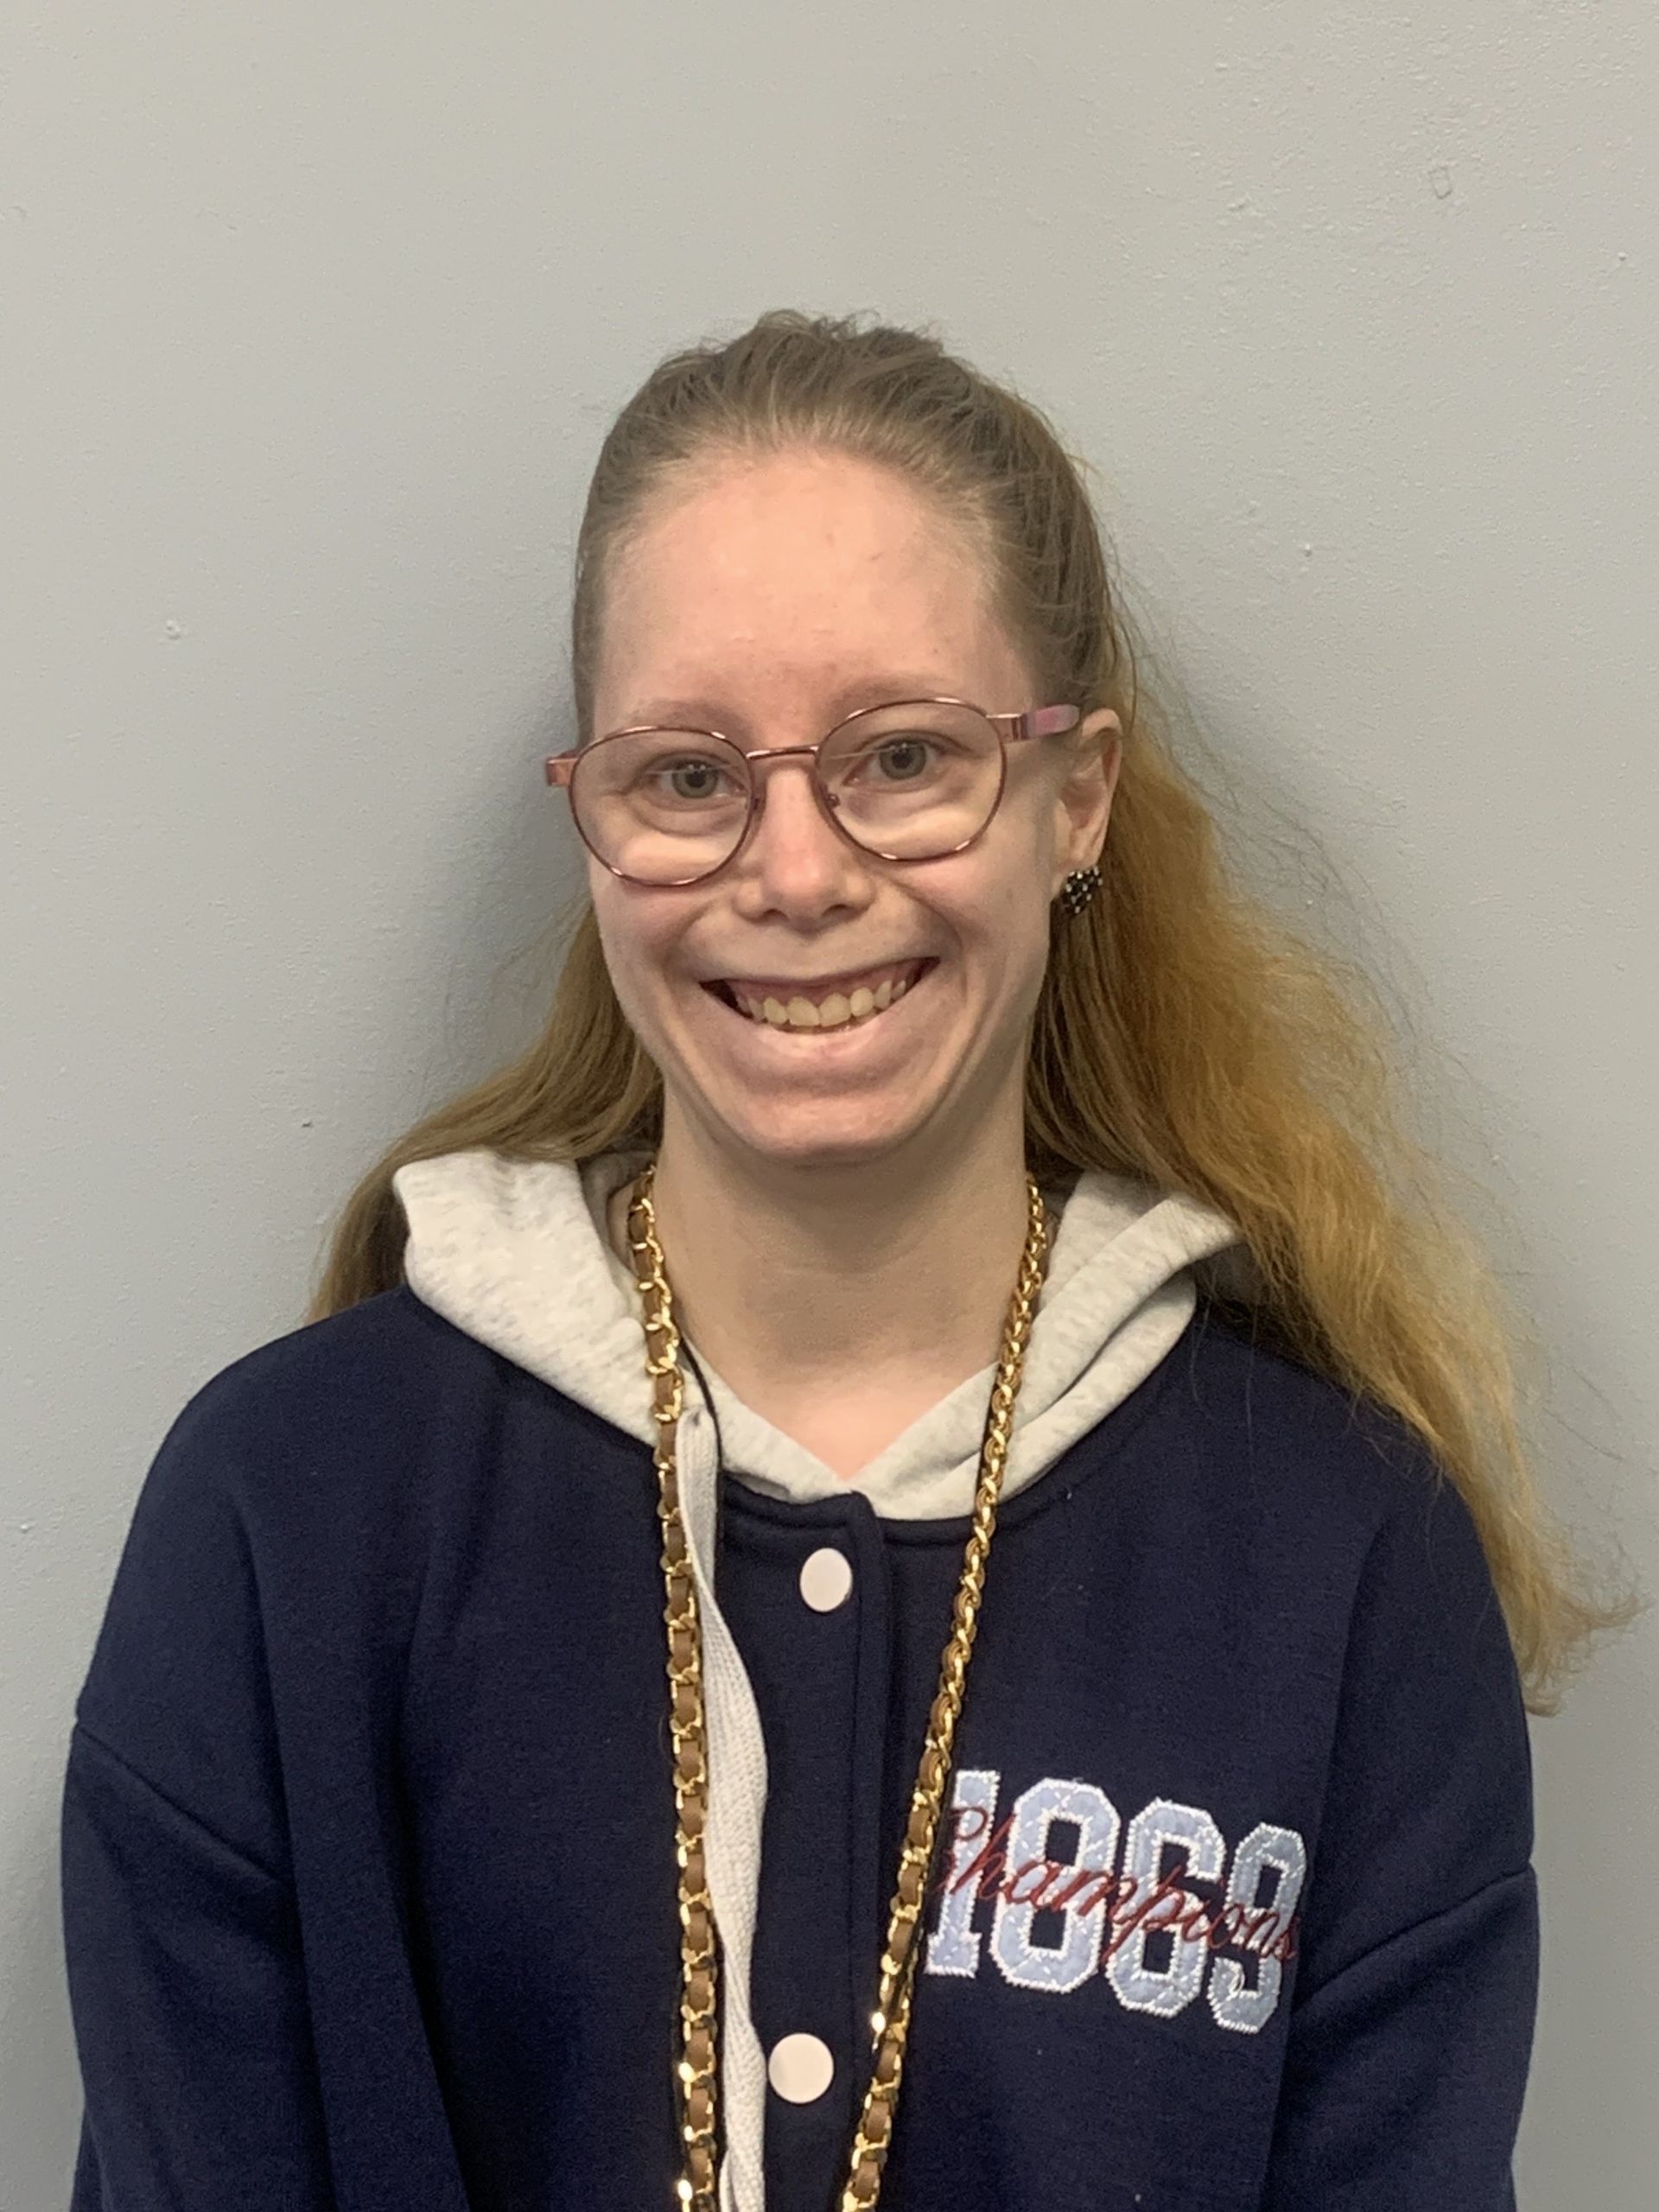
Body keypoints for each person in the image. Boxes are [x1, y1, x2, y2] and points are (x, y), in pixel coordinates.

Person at [60, 309, 1618, 2212]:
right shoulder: (284, 1509)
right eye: (687, 776)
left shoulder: (1347, 1558)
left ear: (1076, 795)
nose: (796, 874)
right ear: (592, 819)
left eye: (903, 754)